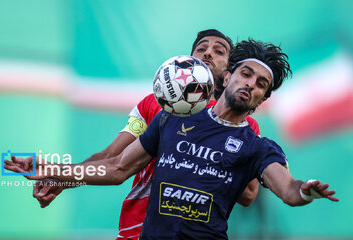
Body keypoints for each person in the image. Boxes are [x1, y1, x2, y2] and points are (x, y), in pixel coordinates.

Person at [5, 39, 339, 240]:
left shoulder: (256, 144)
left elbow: (288, 189)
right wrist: (52, 170)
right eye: (246, 74)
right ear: (228, 76)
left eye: (261, 84)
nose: (251, 84)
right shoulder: (170, 118)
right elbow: (117, 168)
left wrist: (304, 191)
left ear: (261, 99)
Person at [31, 29, 261, 239]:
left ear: (230, 72)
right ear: (188, 61)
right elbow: (112, 158)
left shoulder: (245, 126)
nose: (208, 53)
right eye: (201, 48)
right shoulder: (154, 105)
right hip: (138, 229)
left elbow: (249, 194)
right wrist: (63, 177)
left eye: (219, 51)